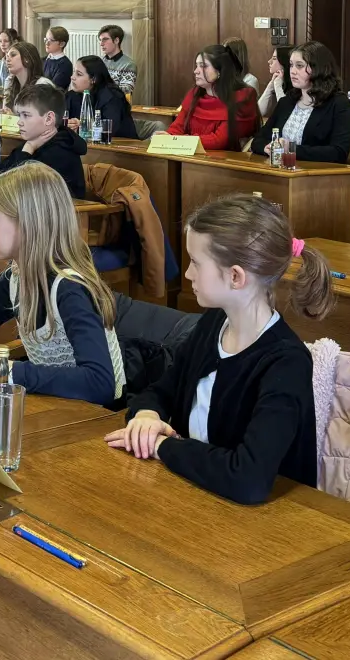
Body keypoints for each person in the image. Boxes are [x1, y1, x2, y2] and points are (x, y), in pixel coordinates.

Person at [106, 193, 334, 504]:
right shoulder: (214, 323)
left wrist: (162, 446)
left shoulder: (286, 362)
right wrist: (147, 415)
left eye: (196, 264)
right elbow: (162, 390)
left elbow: (248, 479)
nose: (187, 274)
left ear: (236, 276)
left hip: (268, 527)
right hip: (197, 497)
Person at [0, 163, 124, 405]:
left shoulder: (70, 289)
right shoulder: (15, 276)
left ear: (27, 226)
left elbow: (100, 383)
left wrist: (5, 371)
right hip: (55, 406)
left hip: (99, 418)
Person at [251, 41, 350, 164]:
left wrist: (291, 149)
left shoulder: (339, 104)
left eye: (299, 66)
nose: (292, 71)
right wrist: (267, 148)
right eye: (291, 65)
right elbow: (258, 140)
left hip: (319, 176)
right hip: (283, 172)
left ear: (318, 68)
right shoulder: (287, 101)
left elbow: (338, 152)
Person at [0, 83, 87, 199]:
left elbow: (16, 190)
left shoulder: (61, 153)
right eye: (19, 115)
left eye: (26, 115)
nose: (19, 122)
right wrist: (28, 149)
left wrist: (27, 150)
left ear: (49, 119)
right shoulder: (31, 144)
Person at [166, 44, 259, 152]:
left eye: (203, 66)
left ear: (220, 70)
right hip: (190, 156)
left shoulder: (242, 98)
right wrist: (168, 135)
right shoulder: (194, 94)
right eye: (196, 66)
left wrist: (180, 140)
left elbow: (220, 140)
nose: (196, 71)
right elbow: (177, 127)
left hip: (225, 162)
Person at [65, 55, 138, 140]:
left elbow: (109, 129)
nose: (72, 77)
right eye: (74, 72)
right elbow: (61, 120)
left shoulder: (113, 97)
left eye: (78, 74)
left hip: (119, 147)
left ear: (93, 79)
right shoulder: (71, 95)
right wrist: (68, 124)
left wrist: (84, 126)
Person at [3, 40, 52, 108]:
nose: (7, 59)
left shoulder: (42, 84)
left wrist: (14, 117)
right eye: (7, 56)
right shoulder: (9, 82)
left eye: (13, 55)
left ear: (27, 59)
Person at [97, 24, 137, 95]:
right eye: (100, 40)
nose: (101, 44)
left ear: (116, 40)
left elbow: (126, 90)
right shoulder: (99, 62)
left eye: (105, 40)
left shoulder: (129, 64)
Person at [257, 47, 290, 118]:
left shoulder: (296, 89)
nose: (269, 61)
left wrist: (278, 86)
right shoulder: (278, 82)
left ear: (284, 62)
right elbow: (259, 112)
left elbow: (287, 114)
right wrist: (270, 86)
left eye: (274, 58)